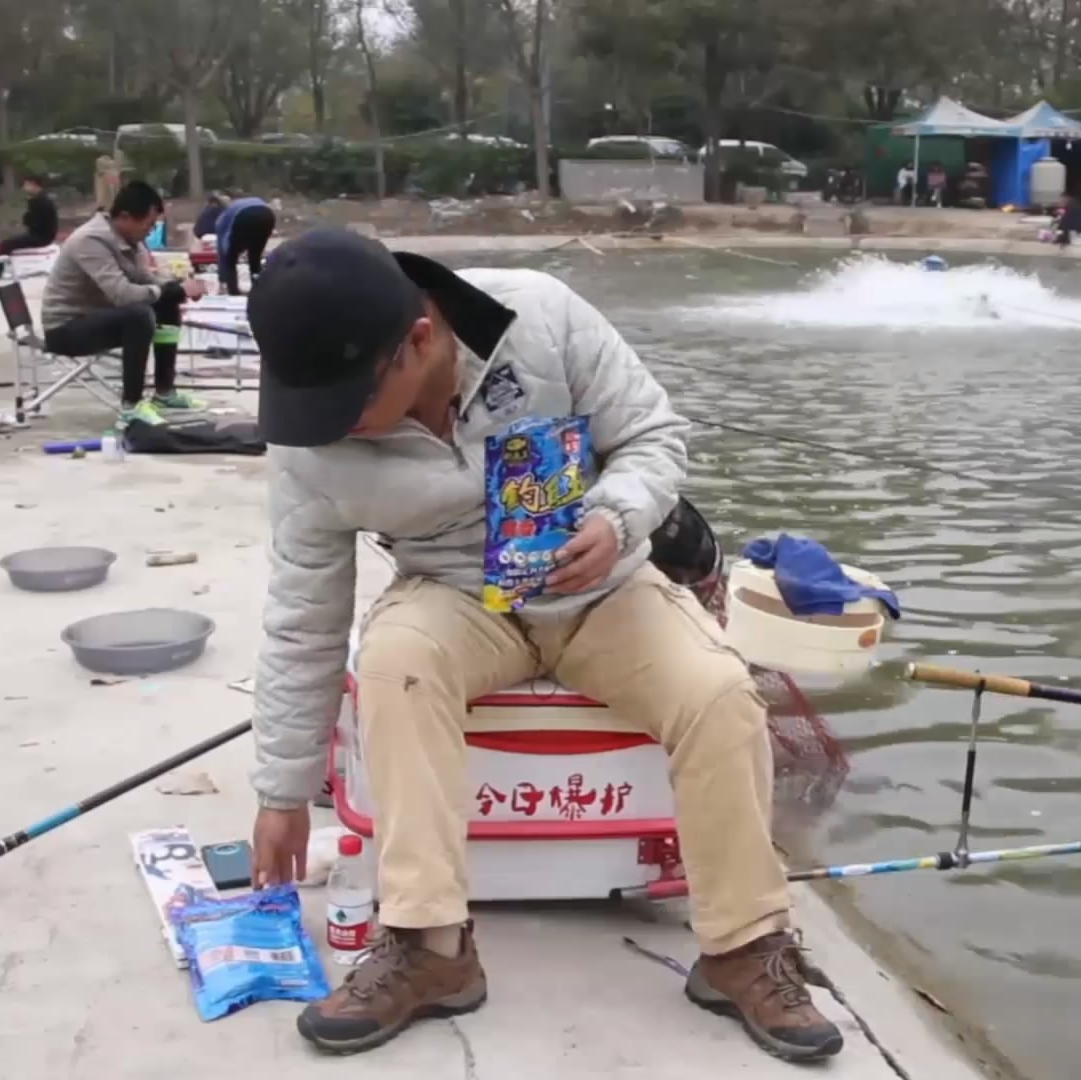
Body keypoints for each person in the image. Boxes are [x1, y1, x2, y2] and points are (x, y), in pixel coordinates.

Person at [245, 229, 846, 1064]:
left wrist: (618, 516)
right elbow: (303, 610)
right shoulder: (309, 444)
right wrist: (281, 790)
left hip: (601, 589)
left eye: (344, 400)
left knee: (717, 690)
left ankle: (742, 948)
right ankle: (429, 948)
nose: (324, 425)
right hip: (455, 597)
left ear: (418, 341)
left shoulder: (542, 315)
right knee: (395, 666)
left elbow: (653, 436)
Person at [39, 180, 207, 426]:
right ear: (126, 217)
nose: (150, 231)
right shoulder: (90, 241)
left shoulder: (130, 240)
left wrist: (177, 286)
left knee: (167, 303)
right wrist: (170, 290)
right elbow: (122, 294)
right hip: (67, 328)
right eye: (148, 224)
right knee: (138, 316)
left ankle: (164, 392)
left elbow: (146, 279)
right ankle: (131, 406)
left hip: (98, 317)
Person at [205, 194, 275, 297]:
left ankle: (233, 293)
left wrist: (222, 279)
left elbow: (223, 253)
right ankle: (260, 290)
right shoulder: (233, 209)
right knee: (255, 258)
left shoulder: (221, 223)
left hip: (245, 216)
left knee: (230, 260)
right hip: (267, 215)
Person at [0, 175, 59, 257]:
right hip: (41, 235)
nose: (24, 188)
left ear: (34, 185)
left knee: (5, 245)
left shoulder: (41, 201)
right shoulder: (40, 199)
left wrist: (27, 219)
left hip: (42, 237)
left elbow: (33, 223)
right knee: (10, 241)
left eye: (26, 185)